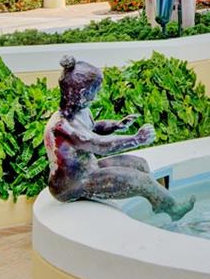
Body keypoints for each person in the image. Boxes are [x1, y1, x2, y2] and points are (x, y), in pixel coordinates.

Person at [44, 56, 194, 220]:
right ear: (81, 93)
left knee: (140, 164)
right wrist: (137, 139)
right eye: (95, 90)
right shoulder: (63, 126)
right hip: (73, 184)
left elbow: (94, 129)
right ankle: (172, 209)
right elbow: (98, 144)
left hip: (89, 168)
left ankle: (158, 202)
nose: (97, 95)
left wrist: (115, 125)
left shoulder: (80, 111)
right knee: (140, 181)